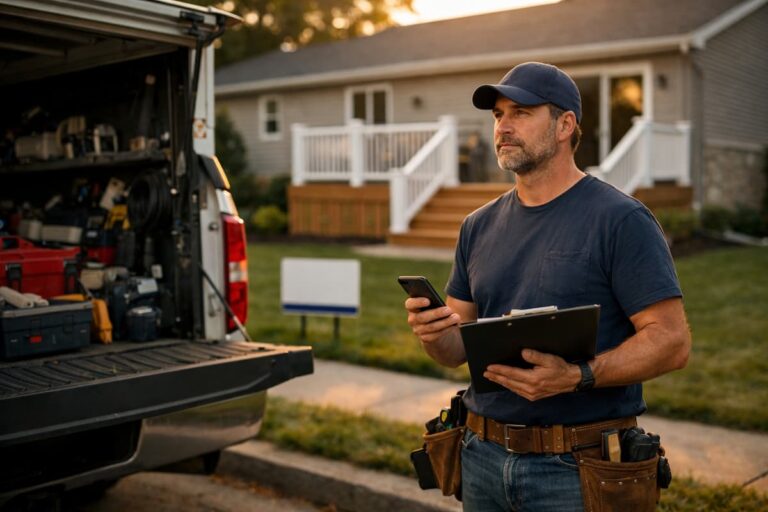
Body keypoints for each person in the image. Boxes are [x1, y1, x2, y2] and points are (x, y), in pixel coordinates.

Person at [404, 62, 691, 512]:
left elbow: (671, 342)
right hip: (481, 457)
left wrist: (577, 377)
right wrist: (435, 333)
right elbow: (454, 351)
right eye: (498, 114)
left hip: (580, 470)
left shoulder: (620, 220)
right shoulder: (476, 226)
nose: (503, 126)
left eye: (520, 112)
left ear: (565, 125)